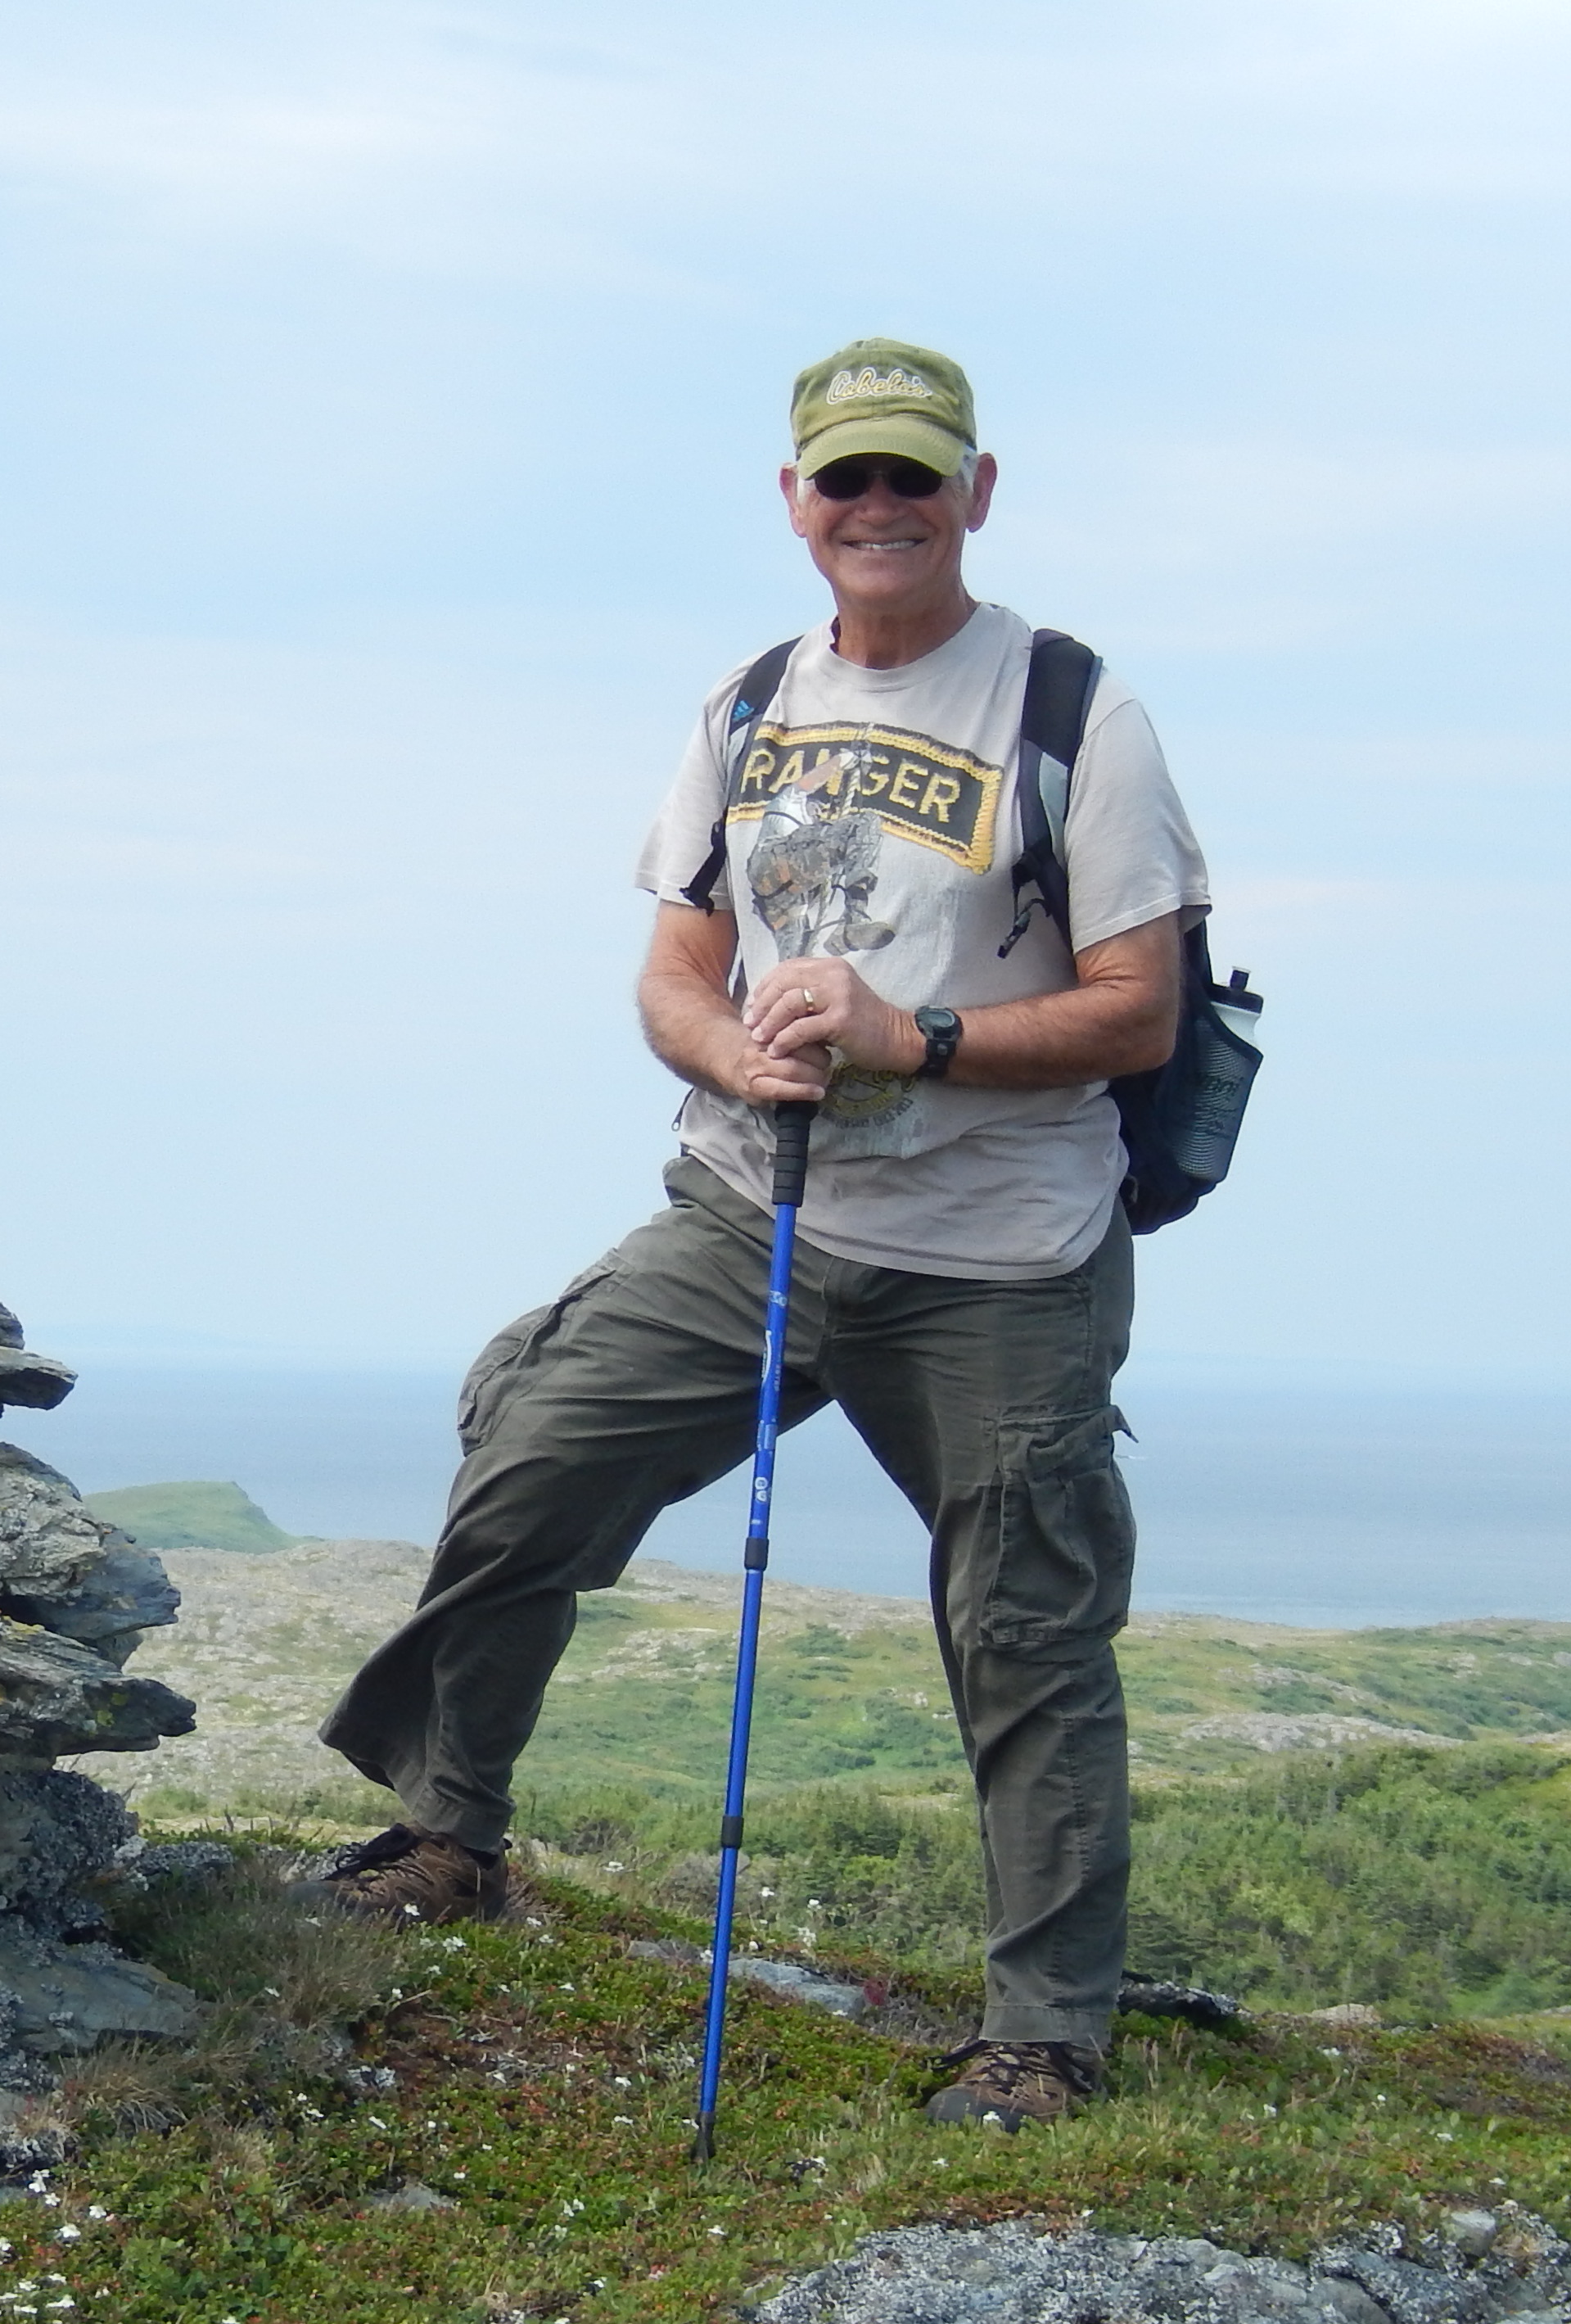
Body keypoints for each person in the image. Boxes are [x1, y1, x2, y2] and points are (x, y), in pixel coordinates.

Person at [316, 337, 1209, 2132]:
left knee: (1025, 1628)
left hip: (998, 1259)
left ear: (975, 492)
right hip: (752, 1214)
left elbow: (1141, 1010)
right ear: (796, 502)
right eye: (845, 478)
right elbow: (676, 966)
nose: (880, 507)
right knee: (535, 1454)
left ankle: (1046, 2032)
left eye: (913, 476)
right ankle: (449, 1836)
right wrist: (732, 1053)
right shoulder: (746, 704)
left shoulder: (1072, 709)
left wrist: (914, 1039)